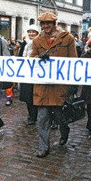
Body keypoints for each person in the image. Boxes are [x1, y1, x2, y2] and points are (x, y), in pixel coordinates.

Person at [30, 12, 77, 157]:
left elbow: (74, 61)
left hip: (59, 86)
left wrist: (73, 84)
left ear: (54, 23)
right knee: (42, 118)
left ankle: (65, 131)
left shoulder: (67, 38)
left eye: (48, 23)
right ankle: (43, 147)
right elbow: (31, 59)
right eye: (43, 24)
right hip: (43, 87)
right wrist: (38, 58)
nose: (45, 26)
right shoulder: (37, 40)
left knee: (60, 117)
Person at [19, 24, 40, 125]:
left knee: (35, 95)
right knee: (27, 95)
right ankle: (31, 114)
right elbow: (20, 56)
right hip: (26, 72)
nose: (31, 34)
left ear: (37, 33)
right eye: (30, 32)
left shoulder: (40, 42)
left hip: (36, 73)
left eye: (33, 32)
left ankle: (34, 115)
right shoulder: (24, 43)